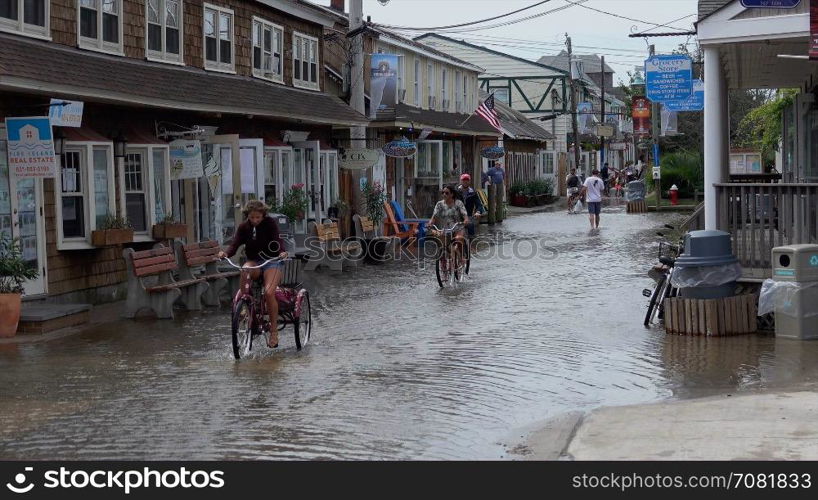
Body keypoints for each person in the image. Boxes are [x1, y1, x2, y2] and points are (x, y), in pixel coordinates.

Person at [219, 200, 289, 348]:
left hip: (272, 261)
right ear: (247, 216)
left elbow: (278, 240)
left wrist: (281, 252)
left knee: (270, 293)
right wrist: (225, 253)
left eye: (258, 217)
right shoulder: (244, 227)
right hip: (254, 261)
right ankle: (245, 306)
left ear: (263, 215)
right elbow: (235, 244)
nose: (255, 220)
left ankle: (274, 331)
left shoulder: (270, 223)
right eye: (252, 217)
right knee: (245, 269)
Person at [428, 185, 470, 266]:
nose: (444, 195)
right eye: (443, 193)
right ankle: (444, 260)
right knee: (443, 245)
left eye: (447, 193)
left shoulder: (458, 203)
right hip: (446, 229)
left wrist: (465, 220)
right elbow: (434, 216)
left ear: (452, 194)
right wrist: (430, 223)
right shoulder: (439, 204)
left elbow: (464, 214)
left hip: (458, 227)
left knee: (459, 239)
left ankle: (461, 257)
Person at [457, 173, 484, 238]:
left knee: (471, 226)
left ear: (469, 181)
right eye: (464, 180)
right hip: (457, 216)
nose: (465, 182)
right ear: (461, 181)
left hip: (468, 216)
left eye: (467, 180)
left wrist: (478, 212)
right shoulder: (456, 192)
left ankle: (471, 243)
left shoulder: (473, 193)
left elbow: (479, 205)